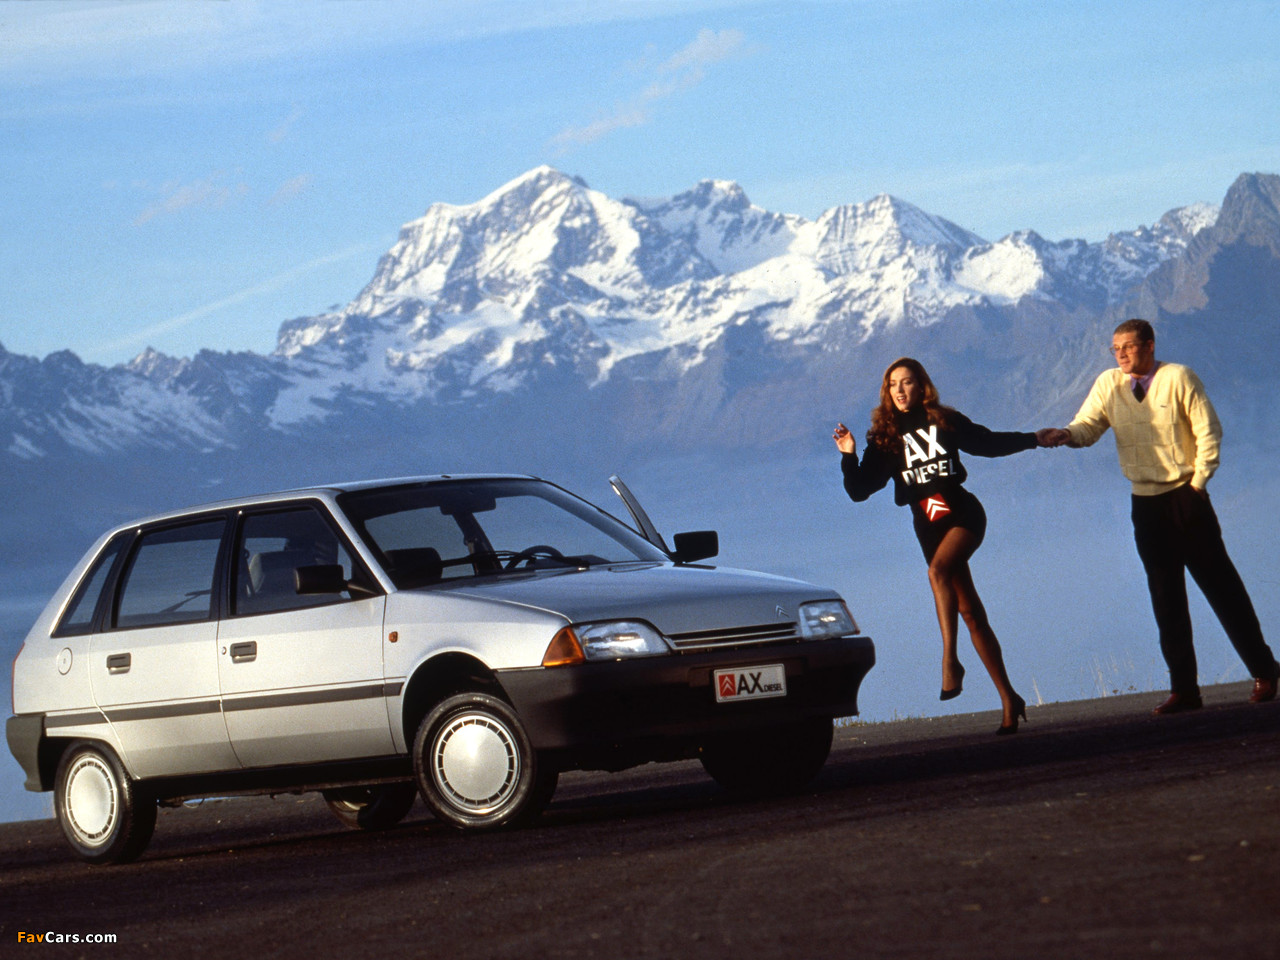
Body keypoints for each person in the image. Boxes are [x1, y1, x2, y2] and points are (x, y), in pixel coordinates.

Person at [1041, 319, 1278, 714]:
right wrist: (1066, 435)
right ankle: (1184, 690)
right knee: (1165, 598)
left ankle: (1264, 670)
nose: (1120, 354)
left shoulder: (1179, 377)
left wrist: (1198, 484)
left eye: (1128, 346)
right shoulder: (1108, 384)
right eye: (1115, 348)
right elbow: (1089, 425)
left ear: (1150, 345)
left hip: (1185, 496)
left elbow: (1208, 431)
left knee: (1222, 589)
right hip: (1145, 504)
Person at [834, 357, 1060, 734]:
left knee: (937, 573)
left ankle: (950, 662)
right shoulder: (885, 436)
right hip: (926, 525)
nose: (900, 390)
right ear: (887, 391)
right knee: (969, 612)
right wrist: (848, 453)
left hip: (962, 514)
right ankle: (1010, 698)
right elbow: (859, 490)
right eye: (893, 384)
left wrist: (1033, 438)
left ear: (922, 385)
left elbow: (987, 443)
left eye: (907, 382)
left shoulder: (944, 420)